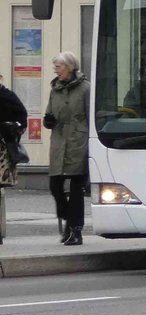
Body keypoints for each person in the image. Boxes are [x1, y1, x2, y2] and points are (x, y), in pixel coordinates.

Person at [46, 51, 90, 246]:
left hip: (78, 142)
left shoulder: (85, 89)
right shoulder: (54, 89)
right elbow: (50, 112)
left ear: (70, 67)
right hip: (59, 141)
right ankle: (68, 220)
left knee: (76, 189)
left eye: (59, 67)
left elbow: (91, 116)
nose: (56, 70)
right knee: (55, 186)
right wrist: (48, 120)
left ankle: (75, 231)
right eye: (55, 67)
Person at [0, 74, 28, 189]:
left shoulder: (7, 96)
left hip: (4, 145)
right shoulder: (8, 95)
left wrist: (15, 130)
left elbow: (22, 117)